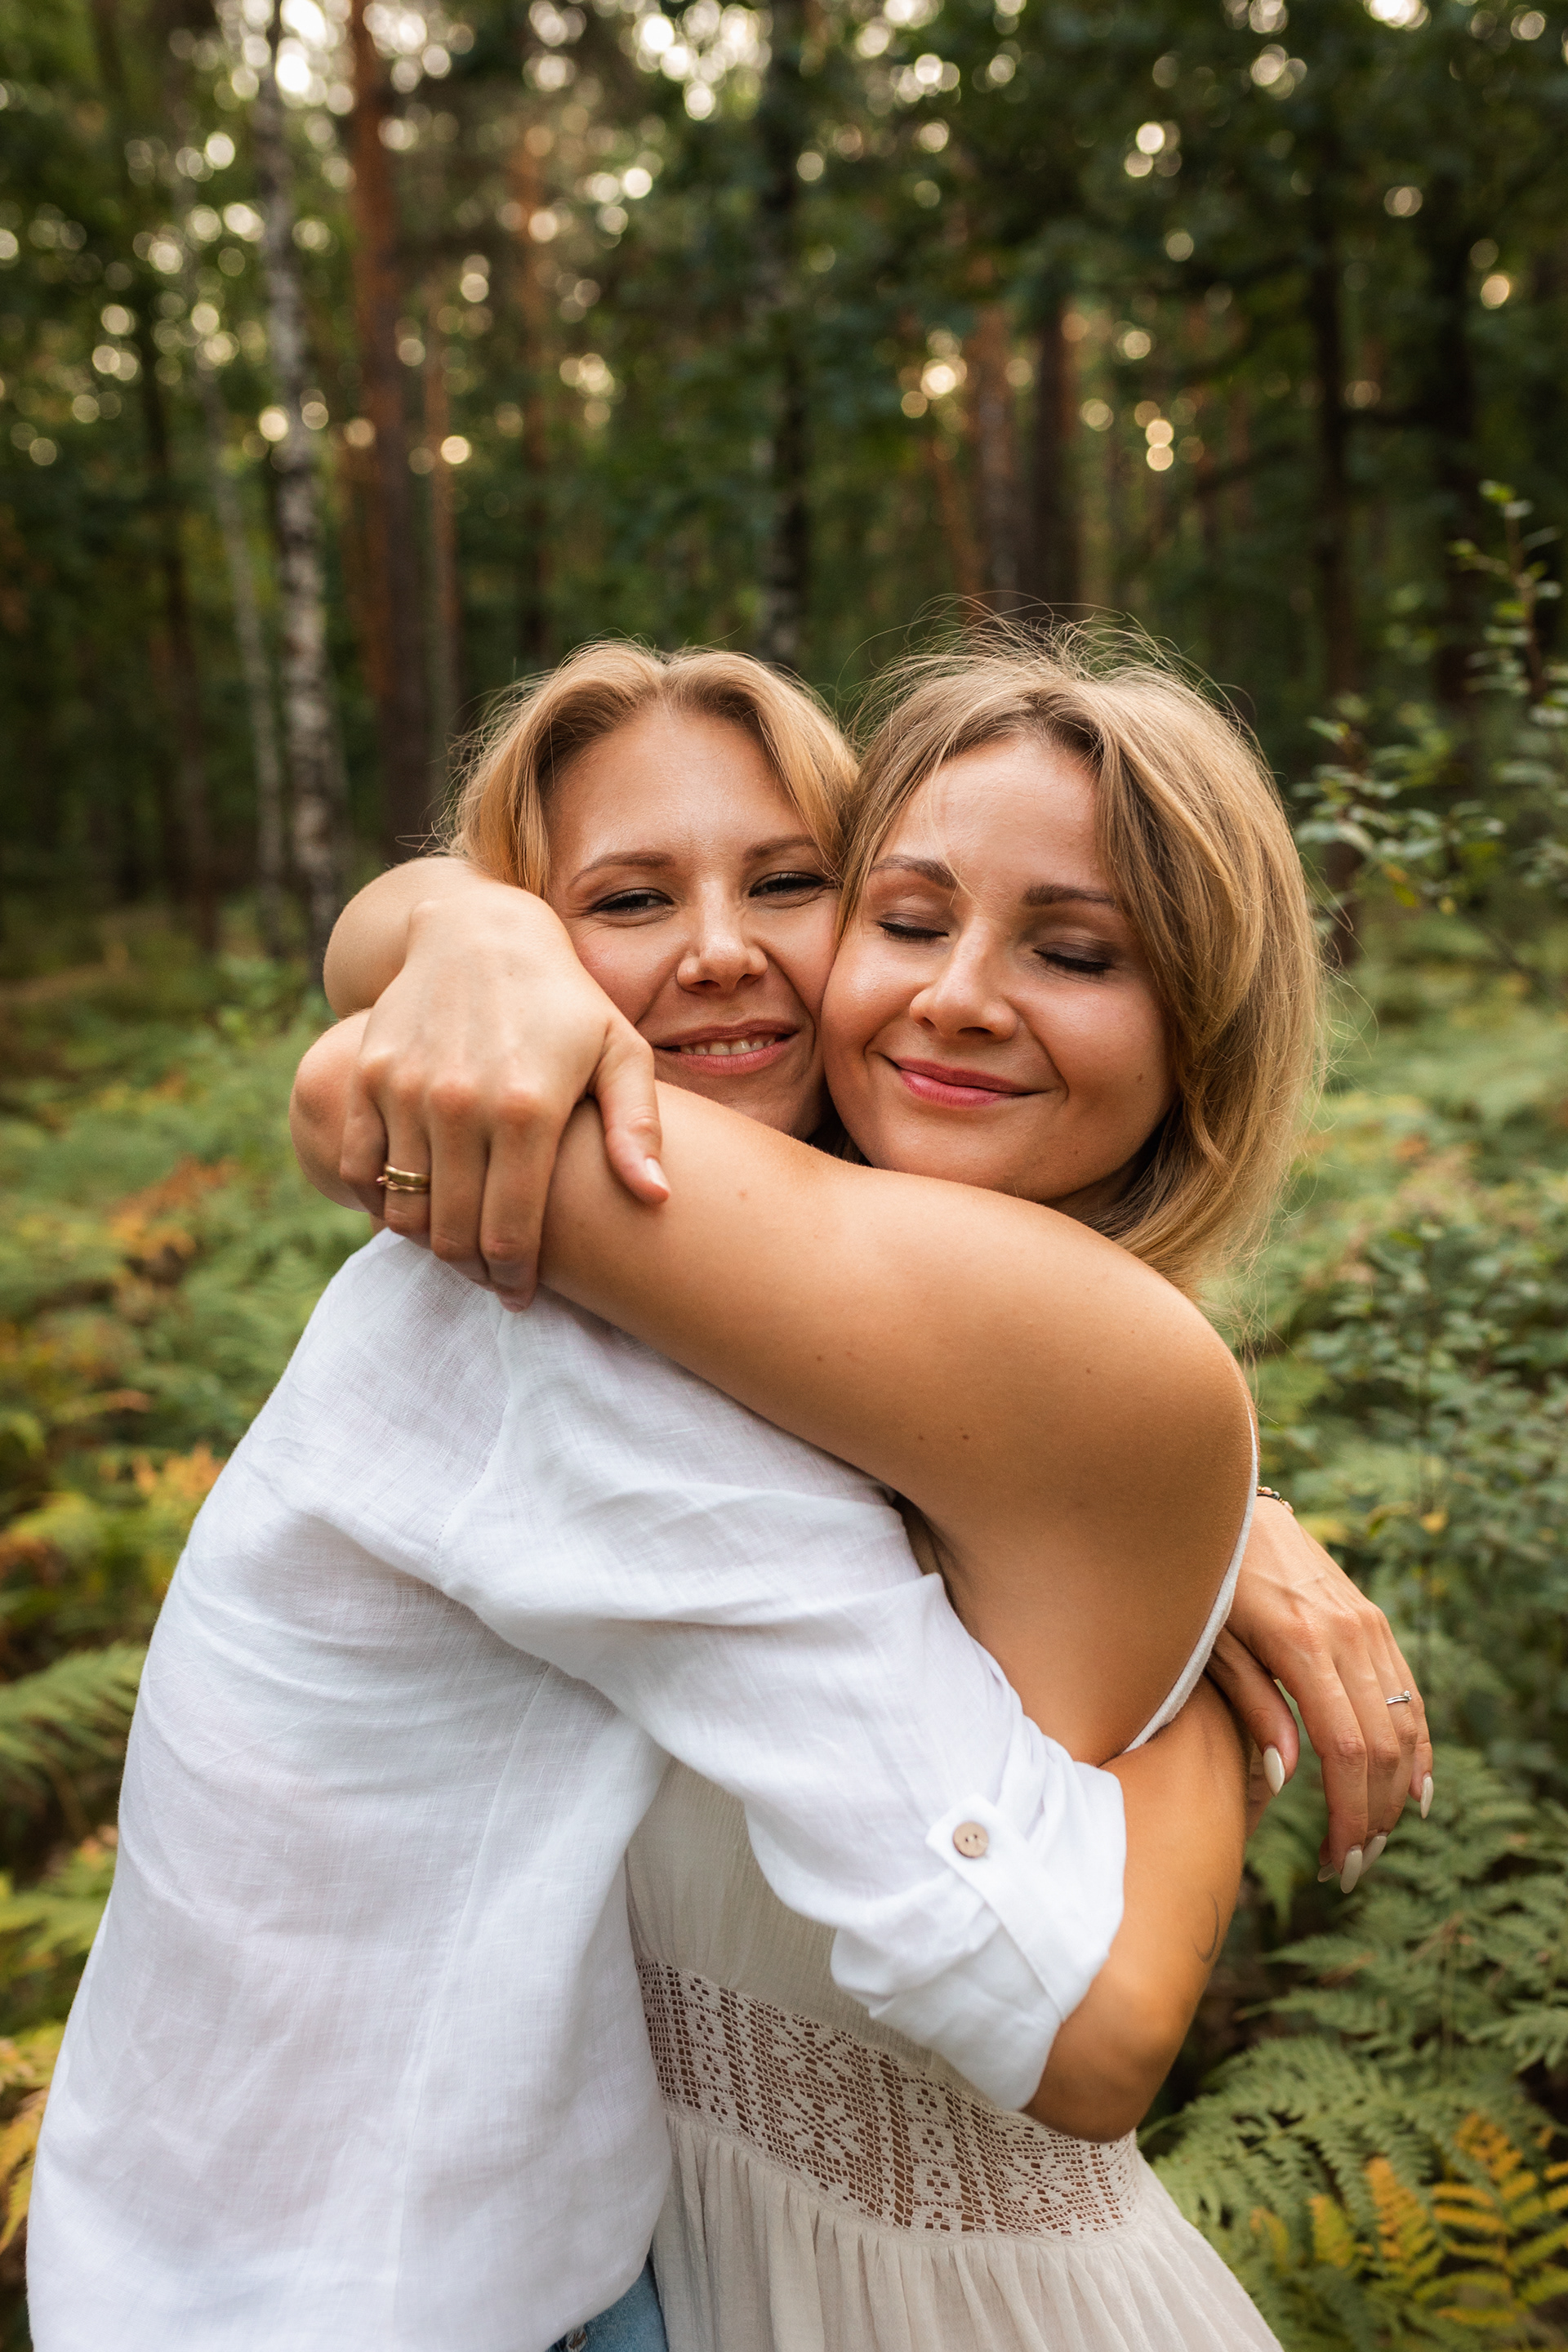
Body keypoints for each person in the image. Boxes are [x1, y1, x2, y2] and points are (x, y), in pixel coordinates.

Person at [30, 645, 1265, 2352]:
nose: (723, 951)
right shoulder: (566, 1315)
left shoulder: (731, 1317)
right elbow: (350, 1093)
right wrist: (1216, 1667)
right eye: (621, 900)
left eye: (793, 883)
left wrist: (1218, 1573)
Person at [291, 634, 1433, 2346]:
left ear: (1203, 1038)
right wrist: (473, 928)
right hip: (671, 2262)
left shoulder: (1105, 1373)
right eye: (905, 919)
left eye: (1076, 952)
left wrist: (466, 939)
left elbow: (352, 1096)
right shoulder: (743, 1324)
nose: (957, 996)